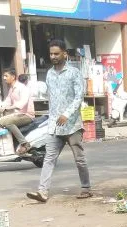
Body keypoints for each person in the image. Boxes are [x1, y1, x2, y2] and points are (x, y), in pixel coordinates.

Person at [26, 39, 90, 203]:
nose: (53, 56)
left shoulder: (74, 72)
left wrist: (67, 114)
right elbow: (52, 98)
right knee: (49, 158)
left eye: (56, 53)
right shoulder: (49, 74)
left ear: (64, 54)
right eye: (51, 54)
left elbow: (78, 97)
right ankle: (42, 192)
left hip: (72, 125)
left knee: (79, 159)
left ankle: (86, 188)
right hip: (54, 125)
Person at [0, 67, 36, 155]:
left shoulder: (22, 88)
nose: (4, 78)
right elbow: (7, 101)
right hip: (17, 114)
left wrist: (8, 108)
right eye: (4, 76)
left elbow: (22, 103)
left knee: (6, 122)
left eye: (6, 76)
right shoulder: (12, 89)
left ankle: (25, 144)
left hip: (26, 115)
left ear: (13, 77)